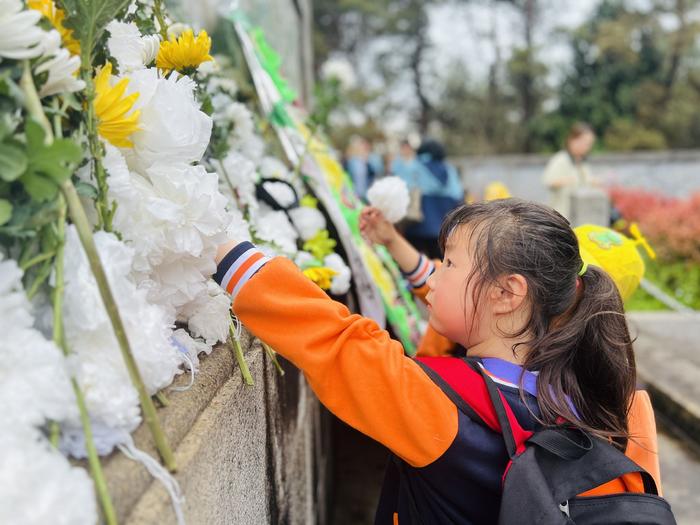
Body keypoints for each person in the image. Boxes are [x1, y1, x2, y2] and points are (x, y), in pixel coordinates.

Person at [214, 199, 655, 524]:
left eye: (448, 263)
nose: (434, 276)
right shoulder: (594, 395)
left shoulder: (441, 404)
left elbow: (338, 342)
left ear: (507, 293)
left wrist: (209, 237)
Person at [403, 139, 464, 259]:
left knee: (415, 268)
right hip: (444, 232)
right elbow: (459, 199)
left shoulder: (413, 168)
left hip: (415, 229)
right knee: (441, 267)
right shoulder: (450, 171)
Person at [542, 122, 597, 220]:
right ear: (572, 140)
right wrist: (565, 180)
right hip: (561, 216)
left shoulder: (582, 163)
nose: (586, 147)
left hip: (579, 215)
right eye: (584, 142)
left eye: (589, 144)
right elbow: (548, 181)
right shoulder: (560, 159)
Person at [343, 135, 376, 200]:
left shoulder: (368, 162)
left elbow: (372, 176)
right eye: (362, 146)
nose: (364, 148)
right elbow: (347, 177)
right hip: (354, 195)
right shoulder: (352, 162)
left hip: (366, 195)